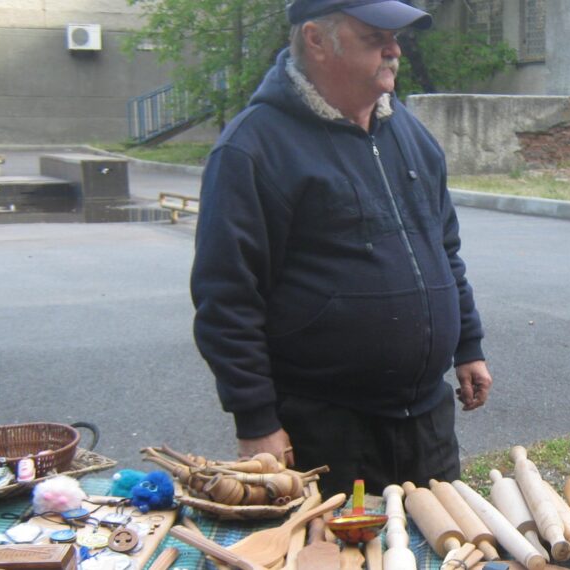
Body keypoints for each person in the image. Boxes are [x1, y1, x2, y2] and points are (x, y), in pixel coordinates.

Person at [190, 0, 493, 497]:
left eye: (396, 38)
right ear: (316, 39)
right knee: (339, 541)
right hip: (327, 431)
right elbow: (227, 296)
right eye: (375, 38)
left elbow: (444, 250)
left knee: (440, 538)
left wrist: (468, 346)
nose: (394, 51)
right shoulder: (253, 147)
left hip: (427, 424)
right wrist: (256, 419)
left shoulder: (411, 134)